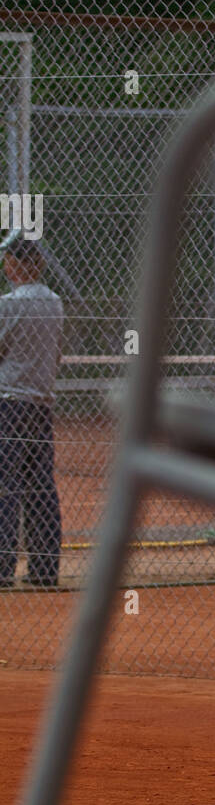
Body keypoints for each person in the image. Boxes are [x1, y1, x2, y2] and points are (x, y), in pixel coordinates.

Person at [0, 234, 64, 588]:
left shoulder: (8, 304)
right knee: (40, 485)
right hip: (41, 403)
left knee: (5, 486)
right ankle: (44, 569)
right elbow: (55, 355)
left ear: (17, 264)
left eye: (9, 260)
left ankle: (2, 567)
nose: (6, 266)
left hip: (8, 402)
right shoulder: (54, 302)